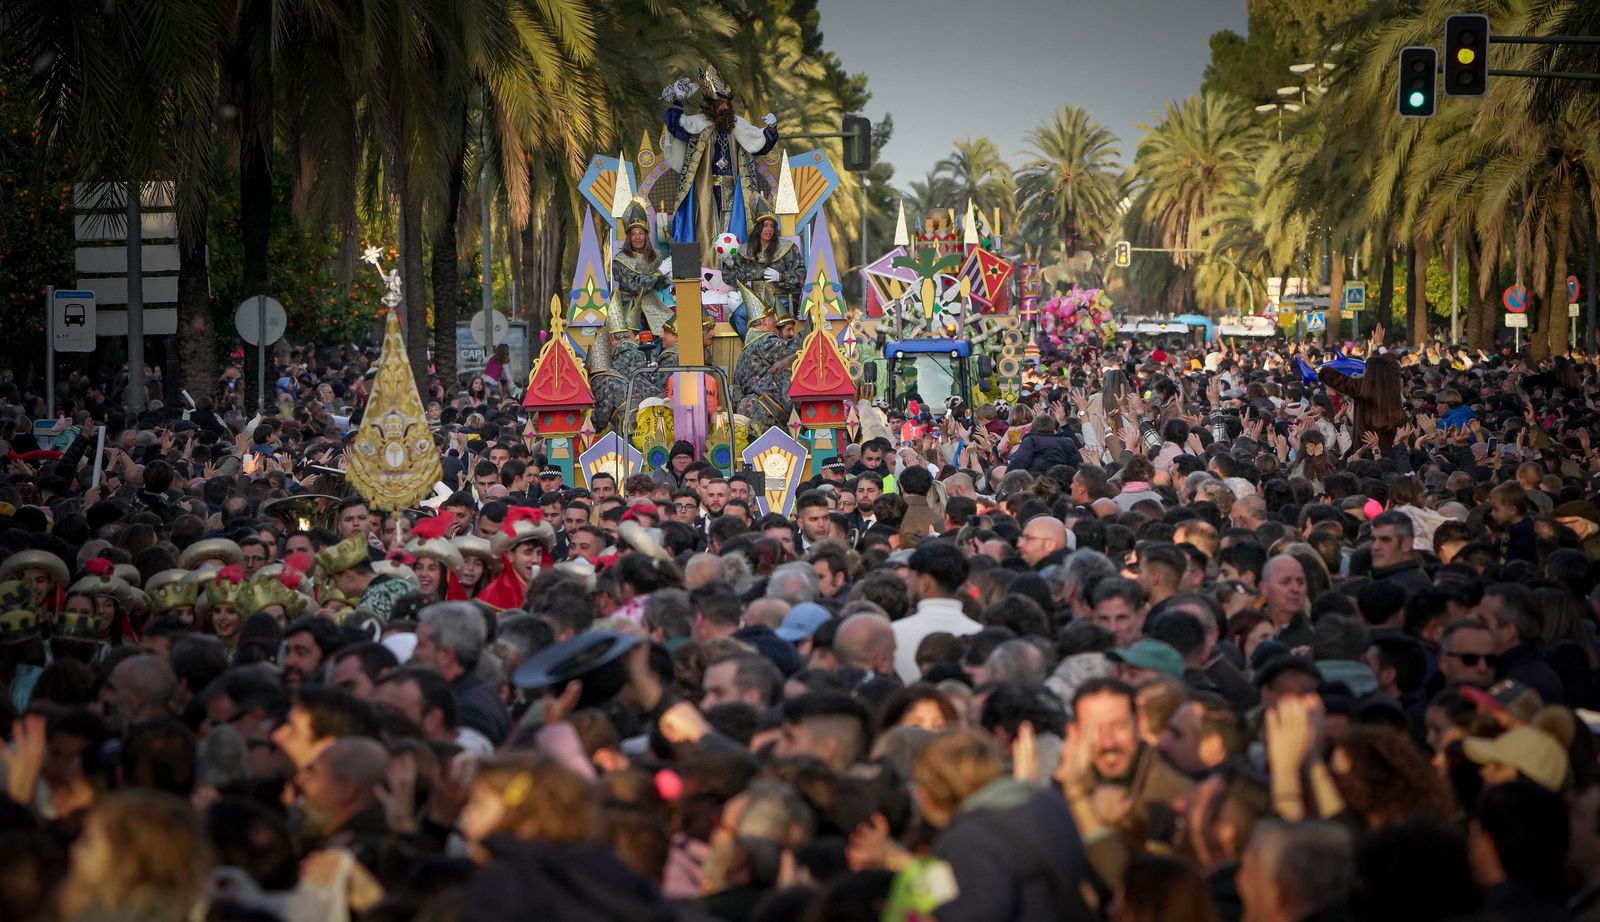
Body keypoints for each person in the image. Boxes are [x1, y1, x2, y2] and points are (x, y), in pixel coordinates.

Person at [661, 65, 779, 266]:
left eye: (726, 103)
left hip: (735, 194)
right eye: (720, 103)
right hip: (704, 194)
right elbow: (676, 125)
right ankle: (702, 277)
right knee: (702, 232)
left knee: (734, 231)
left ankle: (735, 277)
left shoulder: (738, 126)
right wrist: (678, 101)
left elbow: (760, 144)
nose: (725, 107)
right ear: (710, 105)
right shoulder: (699, 126)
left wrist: (772, 129)